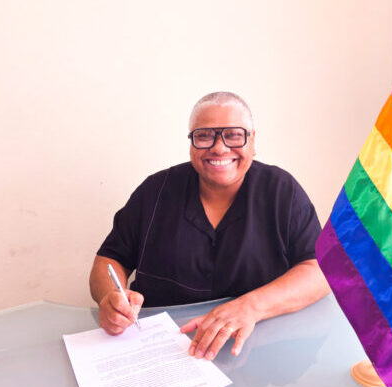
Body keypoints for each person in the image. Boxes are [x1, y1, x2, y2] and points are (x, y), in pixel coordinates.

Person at [89, 92, 330, 361]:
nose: (219, 148)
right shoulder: (155, 192)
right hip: (164, 351)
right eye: (204, 136)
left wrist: (250, 307)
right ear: (191, 143)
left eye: (234, 135)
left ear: (252, 140)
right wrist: (110, 298)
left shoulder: (282, 192)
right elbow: (109, 260)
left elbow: (321, 270)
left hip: (258, 352)